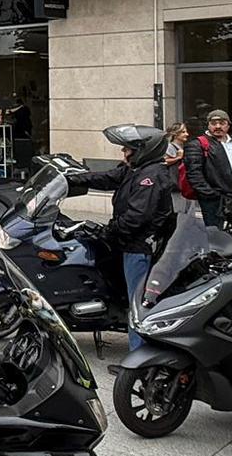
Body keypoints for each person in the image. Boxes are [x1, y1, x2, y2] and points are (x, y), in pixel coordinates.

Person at [75, 126, 178, 347]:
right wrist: (74, 178)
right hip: (128, 243)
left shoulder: (150, 177)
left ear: (144, 150)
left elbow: (136, 217)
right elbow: (108, 177)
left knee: (137, 303)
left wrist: (107, 231)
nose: (124, 152)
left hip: (138, 248)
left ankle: (138, 359)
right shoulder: (136, 169)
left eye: (128, 149)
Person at [180, 110, 232, 229]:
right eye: (214, 123)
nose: (218, 126)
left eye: (222, 123)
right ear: (208, 125)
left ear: (228, 125)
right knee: (215, 235)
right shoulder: (197, 144)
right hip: (215, 201)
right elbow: (194, 174)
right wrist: (211, 195)